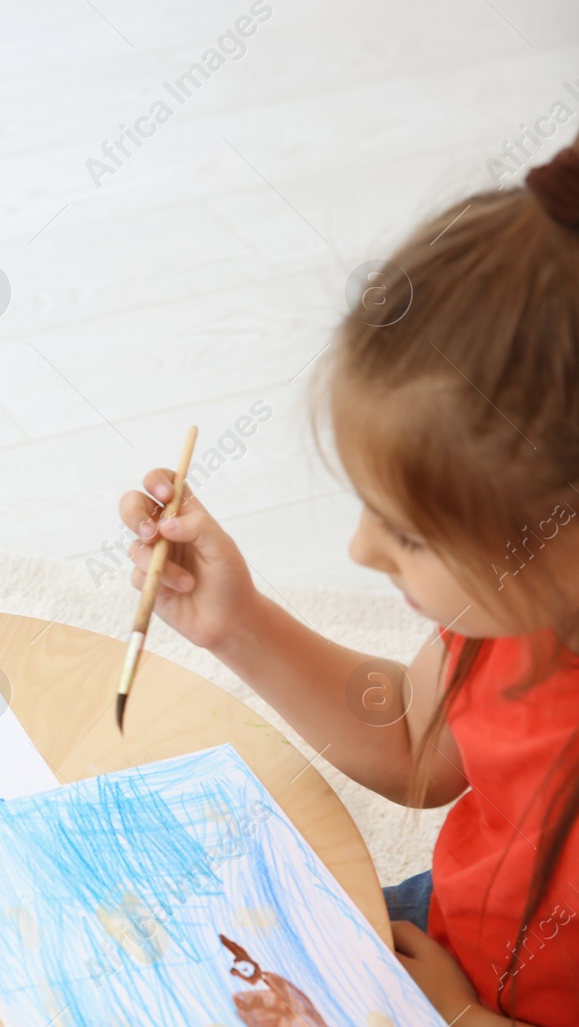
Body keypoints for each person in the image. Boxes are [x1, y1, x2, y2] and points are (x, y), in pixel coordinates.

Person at [120, 136, 579, 1025]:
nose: (362, 551)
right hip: (452, 943)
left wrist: (463, 1018)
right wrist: (237, 621)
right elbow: (413, 738)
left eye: (409, 531)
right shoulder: (515, 608)